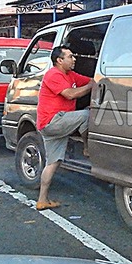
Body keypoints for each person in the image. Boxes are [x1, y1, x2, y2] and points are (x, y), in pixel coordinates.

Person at [36, 46, 95, 210]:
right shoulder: (53, 74)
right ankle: (87, 148)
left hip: (52, 124)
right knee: (87, 115)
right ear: (59, 60)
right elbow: (70, 94)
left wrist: (98, 81)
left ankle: (42, 200)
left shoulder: (71, 75)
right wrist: (92, 86)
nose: (74, 59)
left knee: (53, 162)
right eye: (70, 56)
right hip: (53, 121)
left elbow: (91, 80)